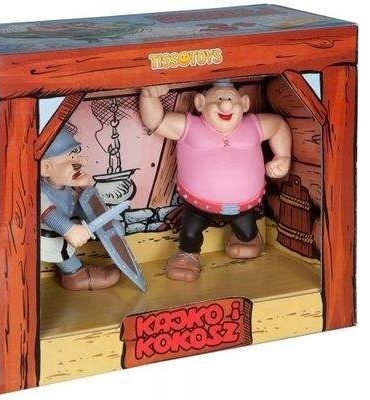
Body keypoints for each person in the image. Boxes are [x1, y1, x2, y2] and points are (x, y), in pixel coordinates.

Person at [139, 80, 291, 282]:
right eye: (218, 99)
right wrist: (148, 98)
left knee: (247, 231)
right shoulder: (190, 127)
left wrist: (283, 156)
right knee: (190, 233)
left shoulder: (253, 126)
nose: (225, 105)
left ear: (245, 104)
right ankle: (187, 255)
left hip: (244, 207)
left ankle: (247, 239)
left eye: (231, 99)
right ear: (200, 103)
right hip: (197, 205)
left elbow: (279, 125)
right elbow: (157, 121)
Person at [40, 128, 120, 290]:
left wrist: (105, 224)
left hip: (63, 237)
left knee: (64, 250)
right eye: (71, 157)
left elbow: (82, 207)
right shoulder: (39, 193)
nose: (81, 161)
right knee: (63, 254)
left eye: (76, 154)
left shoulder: (68, 189)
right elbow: (49, 214)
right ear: (46, 168)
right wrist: (69, 230)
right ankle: (74, 275)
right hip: (48, 238)